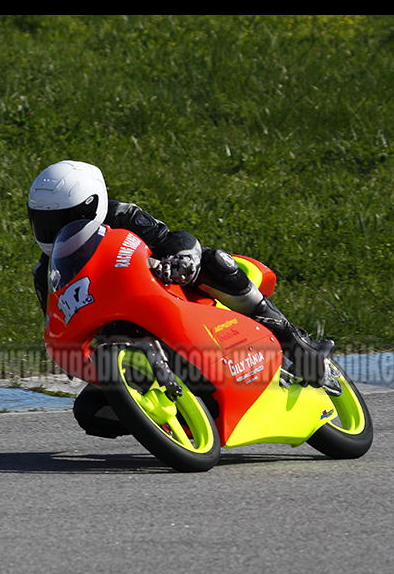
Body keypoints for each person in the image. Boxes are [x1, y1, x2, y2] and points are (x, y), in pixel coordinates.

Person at [27, 159, 336, 439]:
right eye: (45, 222)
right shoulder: (46, 273)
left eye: (66, 220)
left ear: (92, 206)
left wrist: (182, 259)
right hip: (126, 342)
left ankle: (294, 340)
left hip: (170, 298)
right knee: (89, 413)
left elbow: (171, 238)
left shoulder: (123, 216)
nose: (55, 232)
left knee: (215, 262)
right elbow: (60, 322)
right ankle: (173, 423)